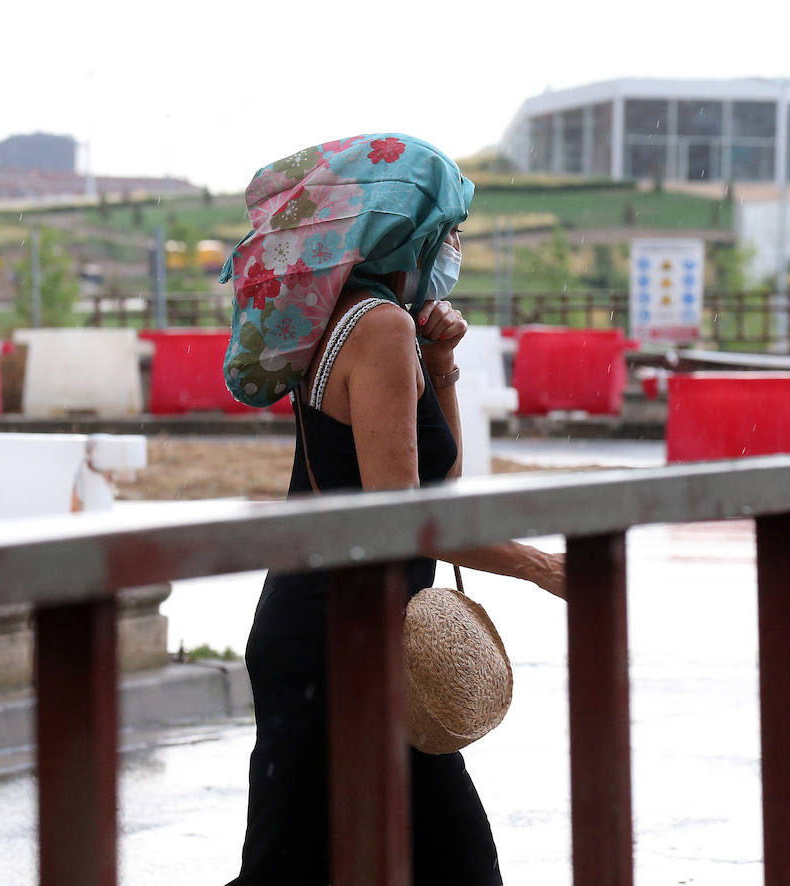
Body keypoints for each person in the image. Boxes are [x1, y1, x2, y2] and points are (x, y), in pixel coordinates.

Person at [220, 134, 564, 885]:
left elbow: (439, 483)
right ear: (404, 229)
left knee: (402, 863)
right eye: (449, 230)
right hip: (335, 647)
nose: (453, 247)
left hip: (343, 638)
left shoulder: (361, 319)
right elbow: (405, 518)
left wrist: (441, 367)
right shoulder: (378, 328)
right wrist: (541, 566)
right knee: (441, 866)